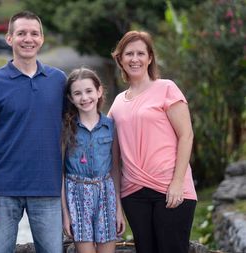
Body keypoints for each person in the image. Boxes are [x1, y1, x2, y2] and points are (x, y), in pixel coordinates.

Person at [0, 11, 67, 253]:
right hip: (1, 191)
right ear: (9, 38)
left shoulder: (59, 81)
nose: (28, 39)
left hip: (48, 189)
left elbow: (75, 130)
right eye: (21, 33)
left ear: (42, 39)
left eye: (34, 33)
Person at [108, 30, 198, 253]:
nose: (135, 59)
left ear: (150, 58)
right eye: (129, 54)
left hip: (170, 190)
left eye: (141, 53)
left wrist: (177, 182)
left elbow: (186, 135)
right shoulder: (117, 103)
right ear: (120, 59)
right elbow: (113, 160)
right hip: (133, 194)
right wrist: (117, 202)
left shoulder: (166, 88)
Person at [61, 68, 125, 253]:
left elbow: (114, 169)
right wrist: (65, 214)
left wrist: (118, 209)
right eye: (77, 93)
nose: (84, 97)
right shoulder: (66, 128)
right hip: (76, 194)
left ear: (99, 92)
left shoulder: (110, 126)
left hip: (106, 194)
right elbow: (61, 173)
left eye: (89, 91)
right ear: (71, 98)